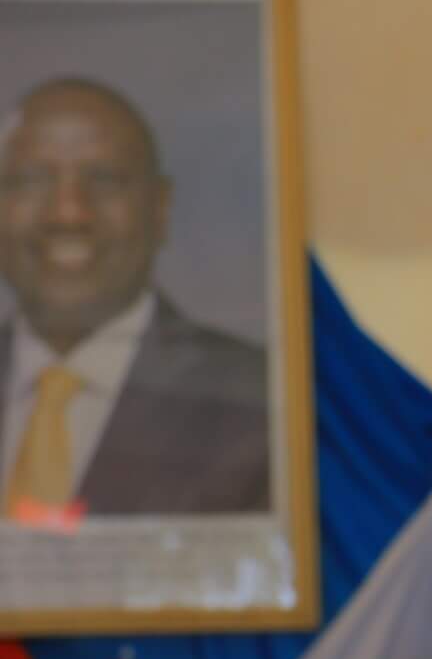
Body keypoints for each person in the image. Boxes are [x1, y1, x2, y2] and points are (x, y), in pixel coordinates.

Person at [0, 77, 270, 519]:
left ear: (159, 208)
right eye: (31, 180)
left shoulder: (260, 404)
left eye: (104, 180)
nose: (68, 212)